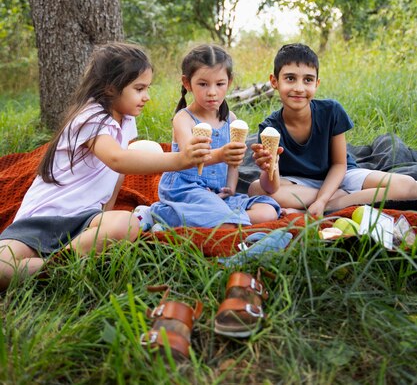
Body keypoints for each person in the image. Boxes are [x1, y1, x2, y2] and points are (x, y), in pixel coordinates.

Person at [0, 42, 211, 290]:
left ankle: (55, 265)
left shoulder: (126, 119)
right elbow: (117, 159)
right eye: (139, 88)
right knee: (2, 268)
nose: (147, 96)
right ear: (111, 88)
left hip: (84, 222)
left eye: (147, 88)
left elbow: (117, 172)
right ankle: (61, 267)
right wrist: (180, 159)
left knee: (126, 224)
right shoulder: (89, 117)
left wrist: (106, 211)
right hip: (43, 218)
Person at [249, 43, 417, 216]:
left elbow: (339, 164)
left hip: (341, 176)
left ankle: (321, 207)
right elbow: (271, 187)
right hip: (299, 184)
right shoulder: (269, 129)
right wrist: (270, 167)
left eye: (308, 80)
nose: (299, 88)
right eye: (290, 78)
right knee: (256, 189)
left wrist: (323, 201)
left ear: (317, 83)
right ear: (274, 81)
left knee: (409, 186)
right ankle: (349, 199)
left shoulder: (331, 111)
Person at [150, 44, 281, 228]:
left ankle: (208, 219)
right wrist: (220, 154)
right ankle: (163, 213)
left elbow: (233, 164)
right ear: (187, 83)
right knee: (225, 222)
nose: (212, 92)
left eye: (220, 84)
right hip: (186, 189)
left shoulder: (231, 120)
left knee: (267, 211)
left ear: (230, 82)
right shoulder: (184, 119)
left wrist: (231, 188)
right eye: (203, 84)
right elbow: (190, 156)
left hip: (217, 192)